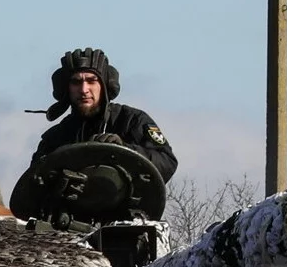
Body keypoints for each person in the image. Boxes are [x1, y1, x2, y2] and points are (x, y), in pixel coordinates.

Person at [32, 48, 178, 182]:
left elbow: (166, 162)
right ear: (66, 89)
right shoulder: (56, 138)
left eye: (91, 81)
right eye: (76, 82)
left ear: (104, 85)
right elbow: (31, 186)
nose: (84, 89)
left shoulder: (131, 121)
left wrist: (124, 151)